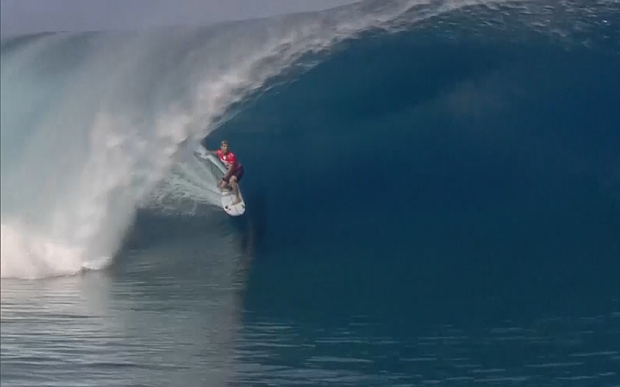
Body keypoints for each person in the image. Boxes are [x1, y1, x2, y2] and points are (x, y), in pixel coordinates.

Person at [206, 140, 244, 205]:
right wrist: (207, 152)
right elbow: (215, 152)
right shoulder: (219, 152)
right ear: (221, 147)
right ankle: (231, 188)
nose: (226, 148)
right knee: (221, 186)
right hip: (231, 171)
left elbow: (230, 170)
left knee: (232, 180)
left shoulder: (231, 156)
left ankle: (238, 199)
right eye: (224, 146)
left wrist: (223, 179)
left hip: (238, 170)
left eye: (227, 146)